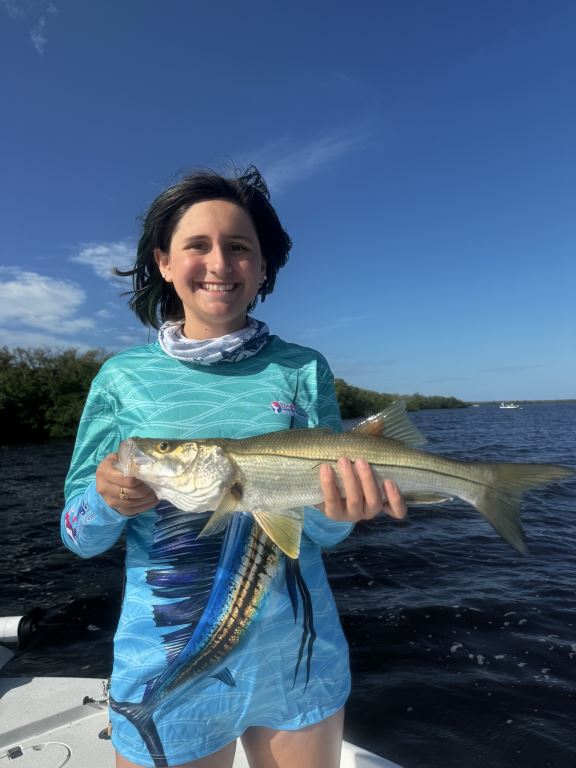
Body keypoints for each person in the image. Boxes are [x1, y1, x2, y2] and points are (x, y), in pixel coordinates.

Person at [61, 166, 406, 768]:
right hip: (165, 672)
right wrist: (104, 499)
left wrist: (338, 513)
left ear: (263, 266)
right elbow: (77, 536)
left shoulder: (304, 369)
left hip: (301, 657)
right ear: (164, 262)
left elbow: (320, 532)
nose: (219, 262)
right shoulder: (120, 378)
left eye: (239, 247)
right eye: (197, 245)